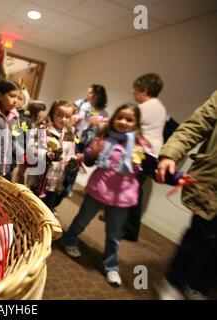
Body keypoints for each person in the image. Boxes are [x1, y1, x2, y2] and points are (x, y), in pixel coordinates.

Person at [61, 103, 181, 286]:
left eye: (129, 119)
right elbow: (89, 160)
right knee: (82, 219)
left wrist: (176, 178)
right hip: (99, 189)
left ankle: (111, 267)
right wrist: (92, 152)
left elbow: (152, 170)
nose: (124, 122)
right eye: (120, 117)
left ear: (137, 123)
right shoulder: (104, 137)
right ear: (114, 118)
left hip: (122, 197)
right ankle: (69, 239)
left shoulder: (142, 145)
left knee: (115, 234)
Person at [157, 90, 217, 300]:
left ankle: (199, 287)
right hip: (212, 188)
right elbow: (195, 126)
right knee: (198, 236)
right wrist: (170, 153)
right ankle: (174, 281)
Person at [123, 73, 167, 241]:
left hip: (142, 155)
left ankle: (129, 230)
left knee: (132, 189)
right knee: (133, 189)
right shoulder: (160, 107)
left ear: (145, 90)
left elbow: (125, 127)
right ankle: (123, 223)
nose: (134, 94)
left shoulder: (143, 108)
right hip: (152, 154)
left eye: (136, 90)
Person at [26, 101, 77, 215]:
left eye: (67, 117)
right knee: (32, 206)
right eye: (59, 115)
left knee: (47, 207)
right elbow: (31, 149)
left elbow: (70, 153)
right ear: (52, 114)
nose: (63, 119)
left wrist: (72, 161)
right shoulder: (43, 129)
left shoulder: (69, 133)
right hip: (39, 177)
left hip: (57, 178)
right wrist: (47, 154)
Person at [64, 85, 109, 198]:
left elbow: (102, 131)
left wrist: (99, 124)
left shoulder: (103, 113)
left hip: (88, 142)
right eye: (88, 92)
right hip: (75, 136)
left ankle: (68, 185)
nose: (88, 95)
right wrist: (73, 118)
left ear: (98, 96)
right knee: (68, 160)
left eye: (91, 93)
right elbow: (69, 113)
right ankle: (64, 184)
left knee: (76, 164)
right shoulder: (81, 103)